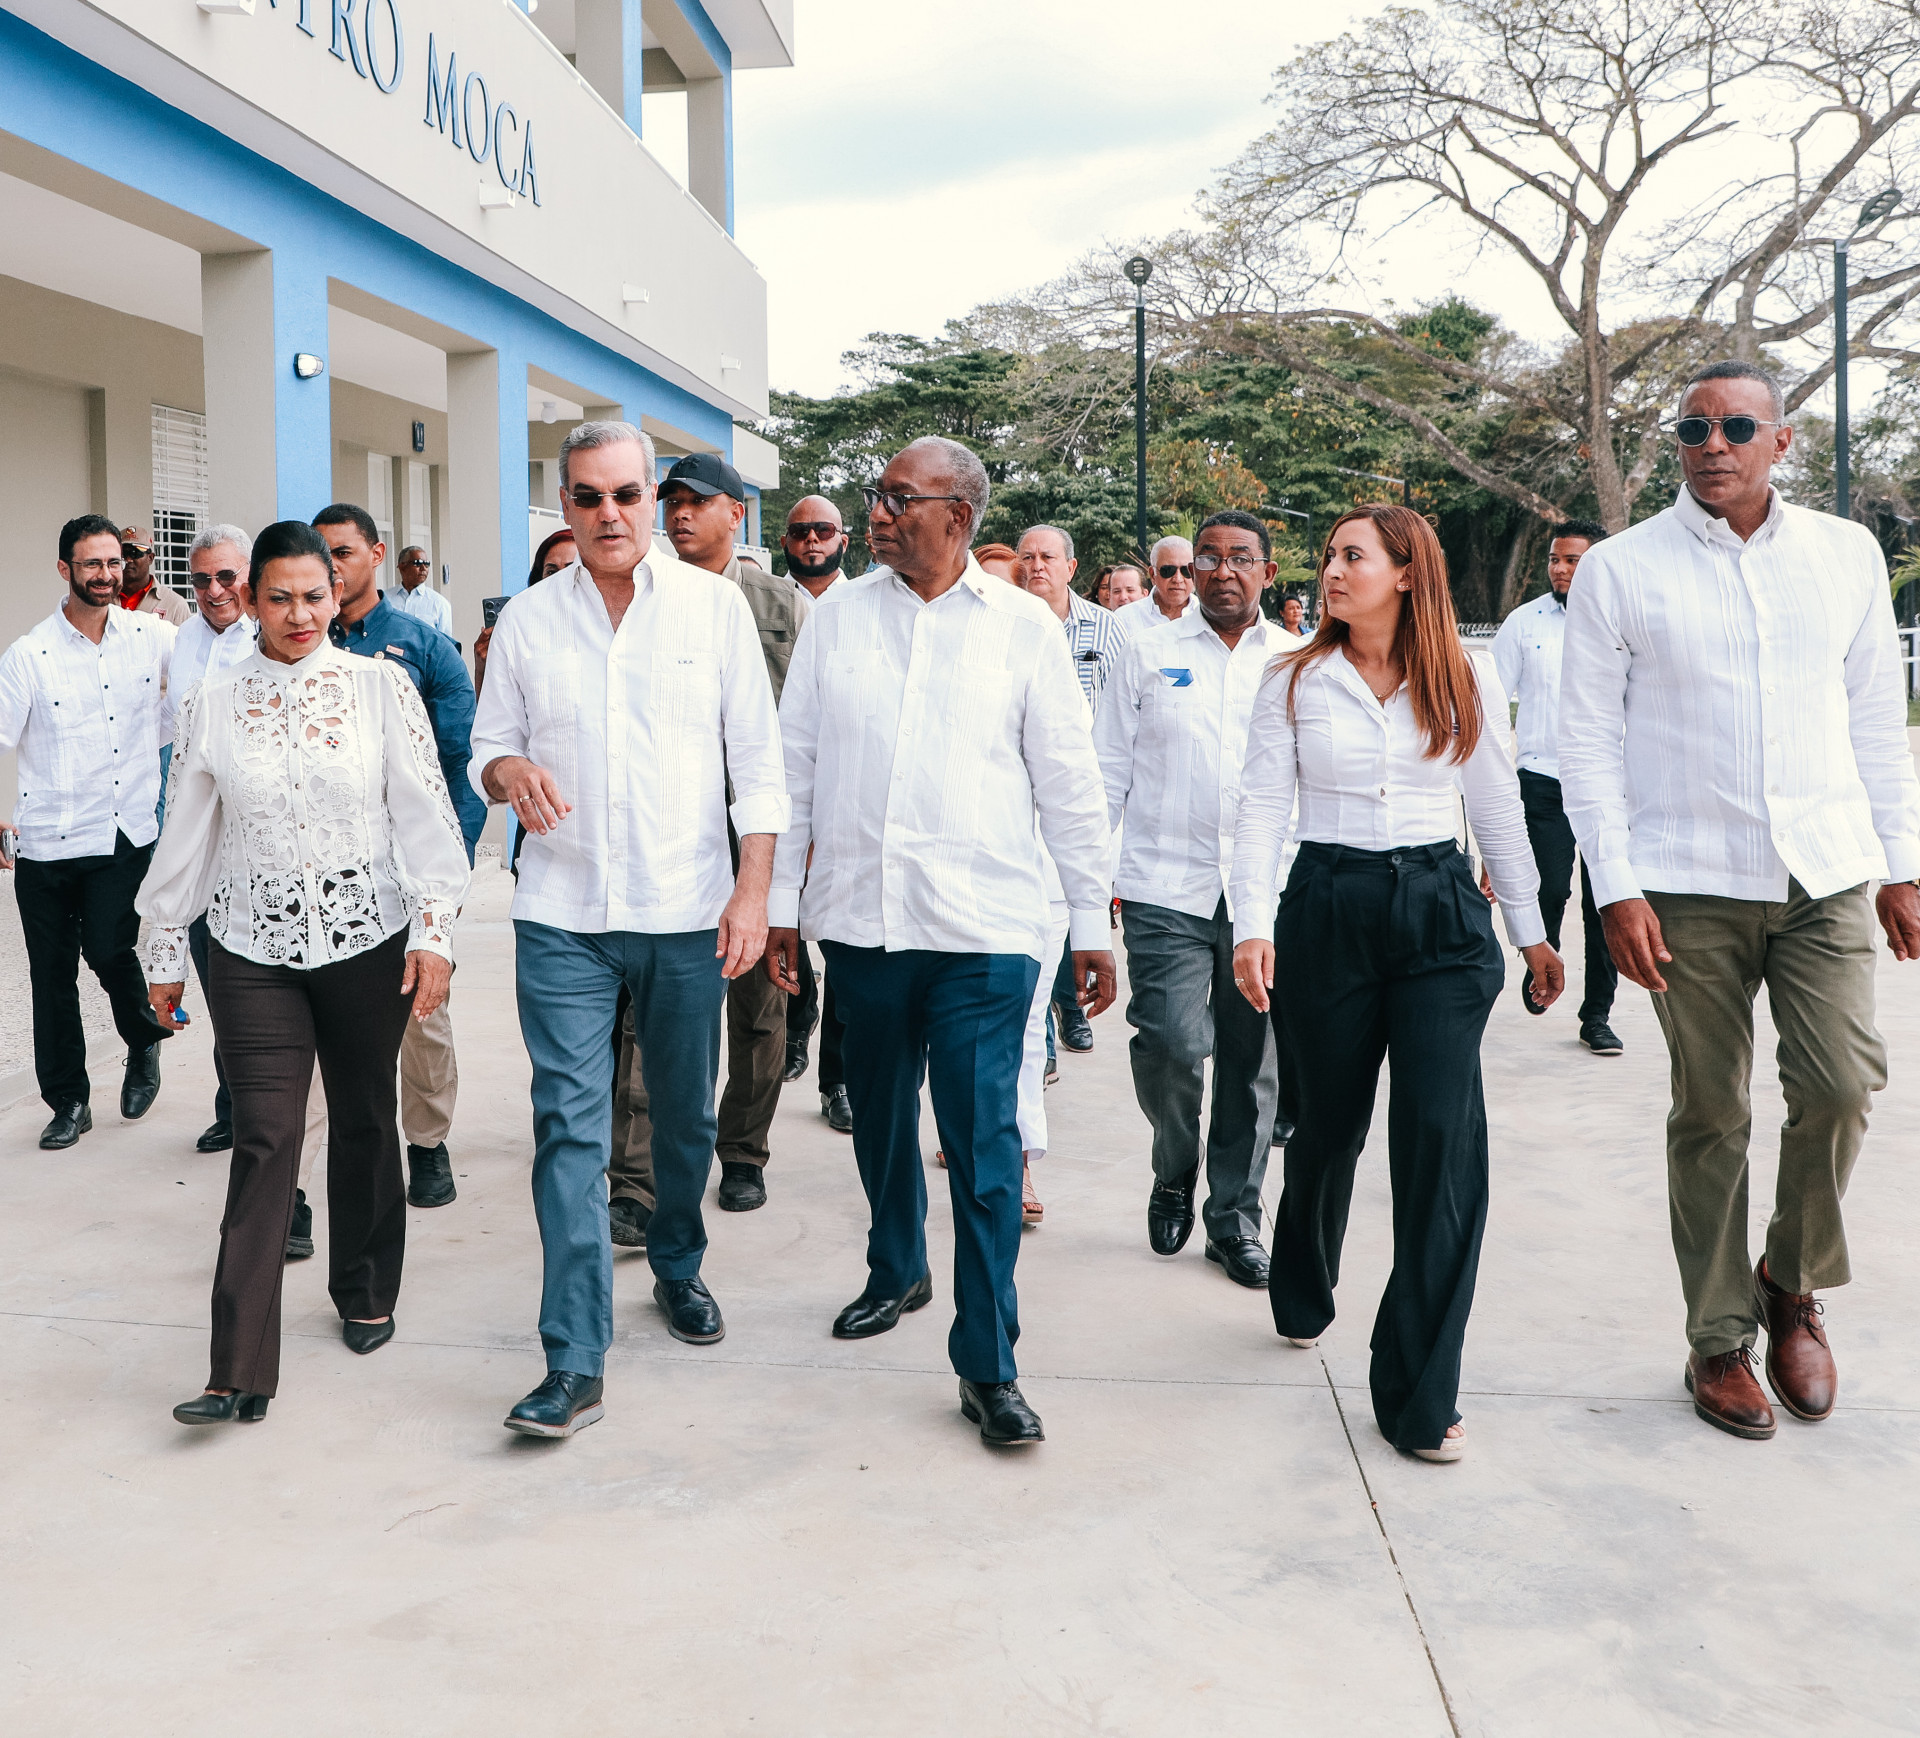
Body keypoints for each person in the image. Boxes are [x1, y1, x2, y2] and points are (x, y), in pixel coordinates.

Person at [1559, 359, 1920, 1443]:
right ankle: (1718, 1338)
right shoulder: (1621, 569)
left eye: (1736, 428)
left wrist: (1902, 863)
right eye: (1693, 429)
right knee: (1712, 1110)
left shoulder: (1845, 554)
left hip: (1824, 869)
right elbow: (1586, 740)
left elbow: (1875, 717)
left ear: (1782, 441)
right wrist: (1615, 886)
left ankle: (1788, 1279)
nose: (1712, 445)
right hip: (1686, 881)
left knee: (1844, 1085)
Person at [766, 436, 1114, 1448]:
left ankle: (989, 1361)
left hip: (985, 929)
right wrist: (782, 902)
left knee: (983, 1145)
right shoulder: (838, 622)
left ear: (958, 516)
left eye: (897, 499)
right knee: (878, 1118)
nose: (876, 515)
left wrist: (1090, 922)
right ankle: (897, 1267)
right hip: (865, 923)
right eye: (875, 496)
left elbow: (1069, 782)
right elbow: (795, 766)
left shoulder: (1023, 629)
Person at [470, 420, 787, 1440]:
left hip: (687, 910)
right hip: (562, 914)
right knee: (570, 1128)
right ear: (564, 505)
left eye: (625, 494)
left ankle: (679, 1261)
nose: (608, 514)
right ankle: (573, 1359)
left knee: (685, 1119)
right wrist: (507, 770)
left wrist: (753, 894)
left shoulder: (714, 608)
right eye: (587, 497)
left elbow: (759, 764)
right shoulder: (528, 620)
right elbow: (488, 745)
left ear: (653, 498)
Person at [1231, 504, 1562, 1464]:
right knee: (1328, 1128)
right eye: (1330, 556)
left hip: (1440, 917)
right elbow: (1260, 808)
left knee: (1441, 1145)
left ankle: (1419, 1388)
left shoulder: (1465, 672)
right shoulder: (1293, 677)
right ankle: (1304, 1274)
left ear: (1408, 572)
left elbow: (1495, 807)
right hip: (1327, 907)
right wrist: (1252, 925)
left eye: (1353, 556)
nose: (1332, 571)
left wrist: (1532, 933)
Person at [142, 520, 469, 1426]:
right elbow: (186, 829)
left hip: (368, 939)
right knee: (264, 1137)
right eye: (279, 597)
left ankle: (365, 1288)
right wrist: (163, 948)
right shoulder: (212, 700)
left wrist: (434, 932)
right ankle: (235, 1368)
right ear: (248, 599)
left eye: (314, 596)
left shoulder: (379, 688)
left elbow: (425, 815)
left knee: (363, 1116)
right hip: (250, 946)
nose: (299, 615)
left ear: (338, 594)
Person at [600, 452, 809, 1224]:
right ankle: (635, 1182)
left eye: (699, 501)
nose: (680, 514)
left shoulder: (782, 604)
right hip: (671, 832)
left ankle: (744, 1152)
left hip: (758, 835)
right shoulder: (639, 596)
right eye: (673, 501)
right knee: (649, 1013)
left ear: (737, 513)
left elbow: (809, 727)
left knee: (758, 1006)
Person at [1096, 511, 1291, 1288]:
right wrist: (1087, 890)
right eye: (1206, 557)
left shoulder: (1297, 659)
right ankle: (1174, 1164)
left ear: (1267, 572)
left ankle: (1234, 1218)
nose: (1221, 571)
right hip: (1163, 884)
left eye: (1240, 558)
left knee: (1252, 1062)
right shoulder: (1147, 652)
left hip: (1264, 894)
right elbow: (1107, 771)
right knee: (1171, 1041)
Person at [312, 504, 486, 1213]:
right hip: (323, 863)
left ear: (376, 554)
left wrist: (448, 871)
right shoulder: (297, 640)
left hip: (408, 866)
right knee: (316, 1022)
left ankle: (427, 1143)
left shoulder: (425, 648)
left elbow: (459, 766)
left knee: (421, 1010)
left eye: (343, 552)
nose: (331, 566)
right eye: (320, 553)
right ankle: (310, 1162)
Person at [0, 514, 179, 1148]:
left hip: (122, 832)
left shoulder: (154, 637)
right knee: (51, 977)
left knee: (108, 949)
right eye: (92, 564)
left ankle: (142, 1039)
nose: (106, 574)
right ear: (65, 570)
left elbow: (210, 666)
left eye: (113, 562)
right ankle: (69, 1101)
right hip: (47, 839)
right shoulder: (29, 655)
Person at [1490, 519, 1621, 1053]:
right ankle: (1543, 963)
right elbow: (1490, 705)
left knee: (1606, 900)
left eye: (1572, 560)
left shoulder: (1625, 622)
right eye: (1554, 559)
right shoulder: (1524, 624)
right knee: (1547, 888)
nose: (1560, 569)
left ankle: (1597, 1016)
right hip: (1543, 781)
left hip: (1610, 786)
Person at [170, 523, 261, 1155]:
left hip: (261, 842)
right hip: (201, 843)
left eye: (226, 576)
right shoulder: (181, 640)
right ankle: (233, 1106)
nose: (213, 590)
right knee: (218, 984)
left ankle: (268, 1111)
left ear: (249, 576)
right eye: (200, 579)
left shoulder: (272, 634)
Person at [1018, 524, 1120, 1058]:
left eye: (1048, 557)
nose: (1037, 566)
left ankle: (1069, 1010)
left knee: (1069, 906)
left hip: (1085, 796)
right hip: (1018, 801)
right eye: (1027, 556)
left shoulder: (1106, 630)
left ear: (1071, 567)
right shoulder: (1007, 623)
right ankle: (1044, 1037)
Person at [474, 529, 578, 701]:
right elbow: (494, 712)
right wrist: (484, 668)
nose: (560, 579)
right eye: (551, 572)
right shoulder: (521, 631)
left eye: (571, 569)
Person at [1113, 536, 1195, 637]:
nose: (1178, 579)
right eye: (1168, 571)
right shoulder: (1124, 619)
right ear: (1152, 574)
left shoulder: (1208, 616)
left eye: (1186, 571)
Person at [116, 525, 191, 626]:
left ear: (150, 558)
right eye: (123, 554)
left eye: (135, 553)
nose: (128, 559)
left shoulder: (175, 604)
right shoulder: (103, 597)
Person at [782, 497, 850, 603]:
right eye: (800, 531)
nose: (811, 537)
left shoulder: (865, 600)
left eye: (824, 530)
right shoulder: (762, 603)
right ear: (784, 543)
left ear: (844, 543)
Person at [387, 545, 455, 639]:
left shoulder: (439, 603)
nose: (423, 568)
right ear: (402, 567)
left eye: (426, 564)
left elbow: (445, 643)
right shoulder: (385, 599)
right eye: (417, 563)